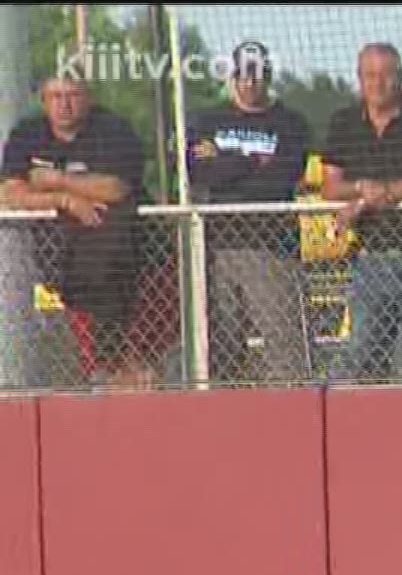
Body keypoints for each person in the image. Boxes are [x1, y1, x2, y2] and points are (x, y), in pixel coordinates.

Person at [0, 74, 157, 389]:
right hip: (52, 251)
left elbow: (115, 188)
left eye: (72, 95)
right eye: (56, 97)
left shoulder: (112, 130)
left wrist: (53, 179)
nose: (65, 105)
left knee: (108, 273)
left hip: (119, 250)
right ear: (44, 101)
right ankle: (98, 368)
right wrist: (66, 200)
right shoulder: (28, 133)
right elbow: (9, 195)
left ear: (88, 99)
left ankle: (111, 366)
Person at [320, 43, 402, 383]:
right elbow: (331, 188)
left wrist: (373, 198)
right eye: (369, 76)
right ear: (359, 79)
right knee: (364, 349)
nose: (378, 84)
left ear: (401, 78)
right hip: (371, 255)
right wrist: (365, 189)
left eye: (386, 75)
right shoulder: (342, 122)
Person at [185, 40, 314, 383]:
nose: (250, 83)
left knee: (285, 345)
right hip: (218, 245)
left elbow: (280, 179)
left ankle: (293, 410)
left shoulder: (291, 123)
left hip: (272, 246)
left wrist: (226, 163)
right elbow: (199, 172)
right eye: (243, 75)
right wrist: (251, 161)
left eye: (257, 75)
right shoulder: (209, 121)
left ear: (268, 76)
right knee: (221, 347)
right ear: (233, 77)